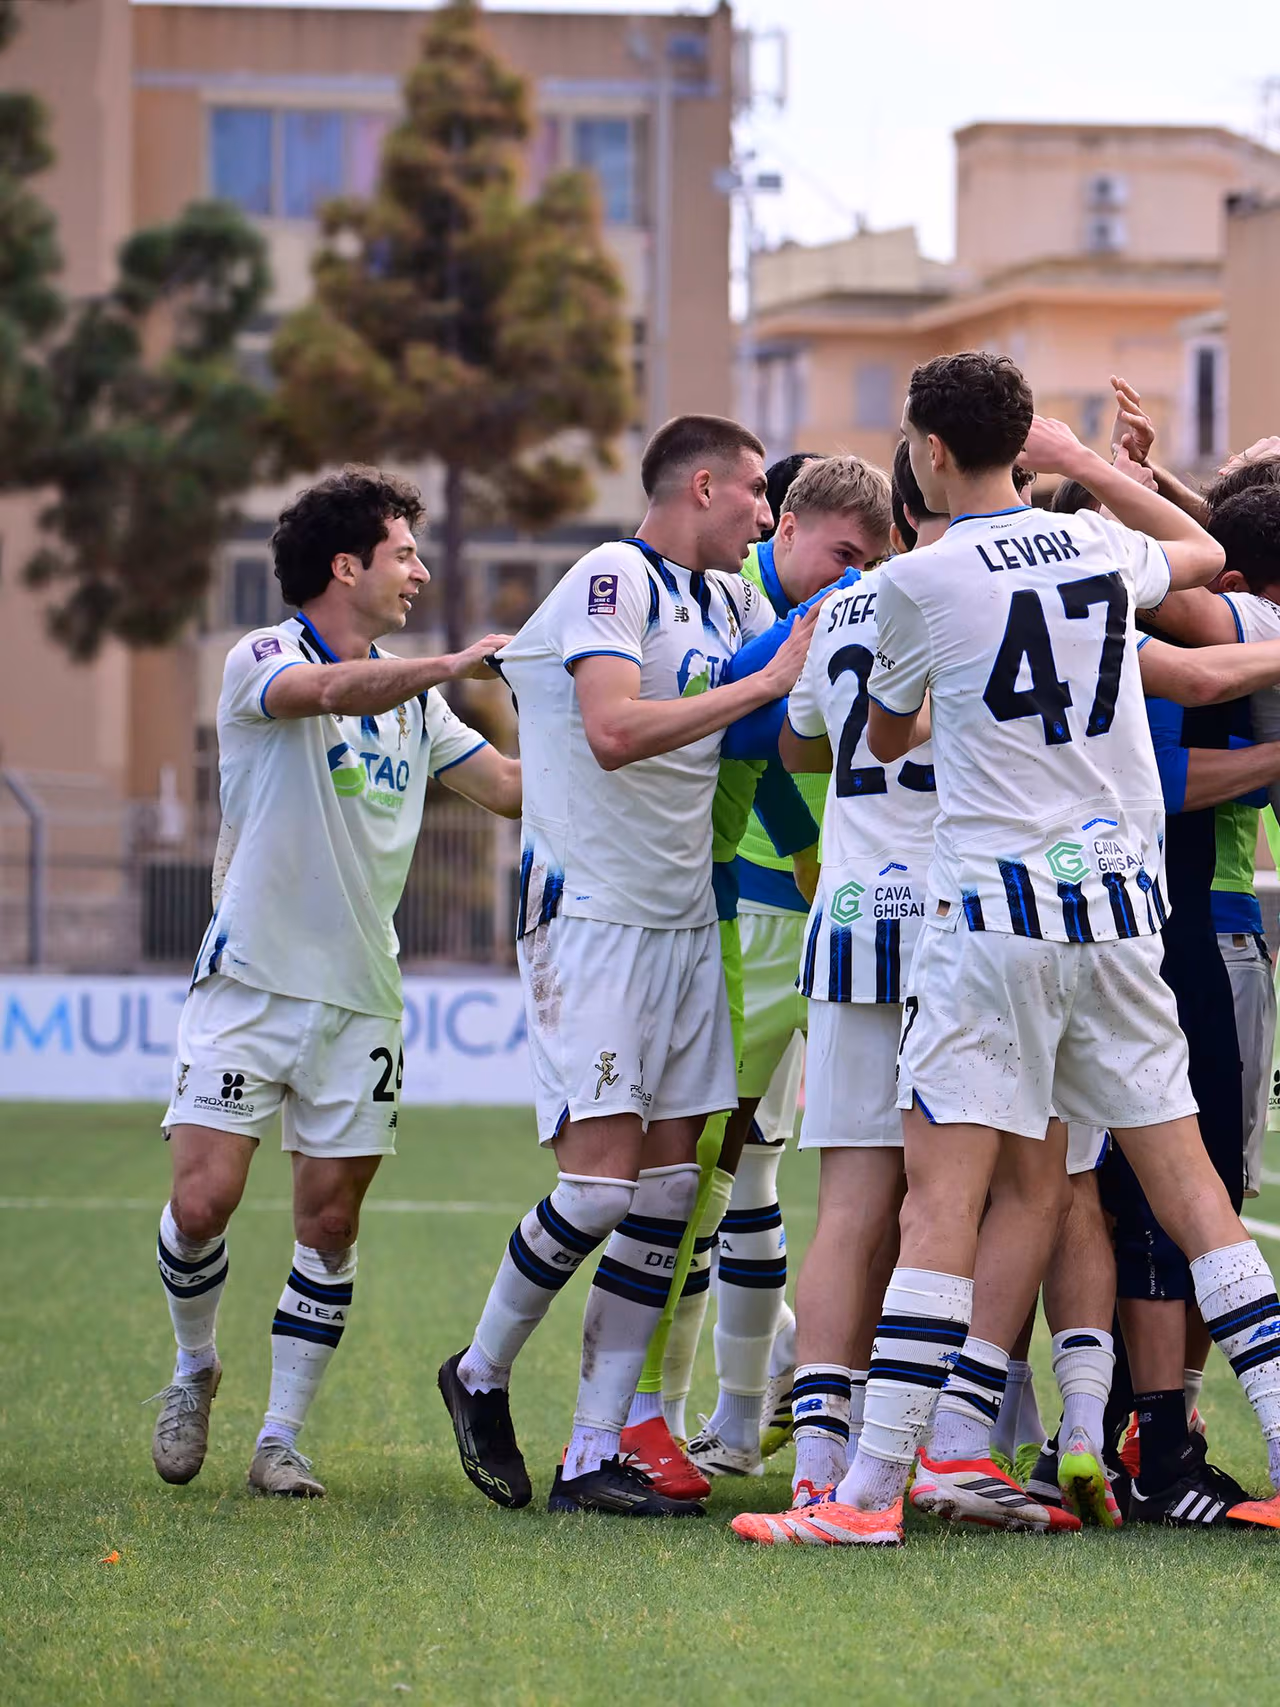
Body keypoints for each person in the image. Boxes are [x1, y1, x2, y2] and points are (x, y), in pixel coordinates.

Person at [735, 351, 1280, 1547]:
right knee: (1191, 1198)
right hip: (1119, 911)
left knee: (935, 1207)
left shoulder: (917, 583)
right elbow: (1191, 565)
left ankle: (867, 1497)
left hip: (989, 922)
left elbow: (881, 732)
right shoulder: (1099, 552)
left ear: (928, 452)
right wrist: (1095, 473)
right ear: (1024, 439)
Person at [437, 414, 818, 1518]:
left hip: (685, 923)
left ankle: (589, 1452)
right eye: (752, 492)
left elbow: (765, 737)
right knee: (600, 1187)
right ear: (701, 486)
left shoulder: (733, 602)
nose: (760, 513)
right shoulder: (614, 576)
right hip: (590, 917)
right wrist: (762, 687)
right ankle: (477, 1372)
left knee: (664, 1190)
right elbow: (610, 729)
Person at [148, 467, 518, 1498]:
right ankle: (193, 1368)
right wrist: (454, 662)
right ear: (345, 566)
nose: (420, 569)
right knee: (204, 1200)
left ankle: (278, 1439)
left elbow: (509, 791)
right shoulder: (259, 658)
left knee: (330, 1223)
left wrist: (614, 738)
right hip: (251, 983)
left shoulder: (421, 702)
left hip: (360, 998)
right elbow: (327, 691)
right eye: (404, 553)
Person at [680, 453, 894, 1479]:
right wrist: (800, 855)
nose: (853, 573)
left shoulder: (862, 596)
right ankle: (706, 1416)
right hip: (764, 908)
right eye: (843, 555)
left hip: (852, 906)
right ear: (790, 527)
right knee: (717, 1167)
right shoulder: (734, 606)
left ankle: (750, 1412)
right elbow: (749, 747)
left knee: (789, 1163)